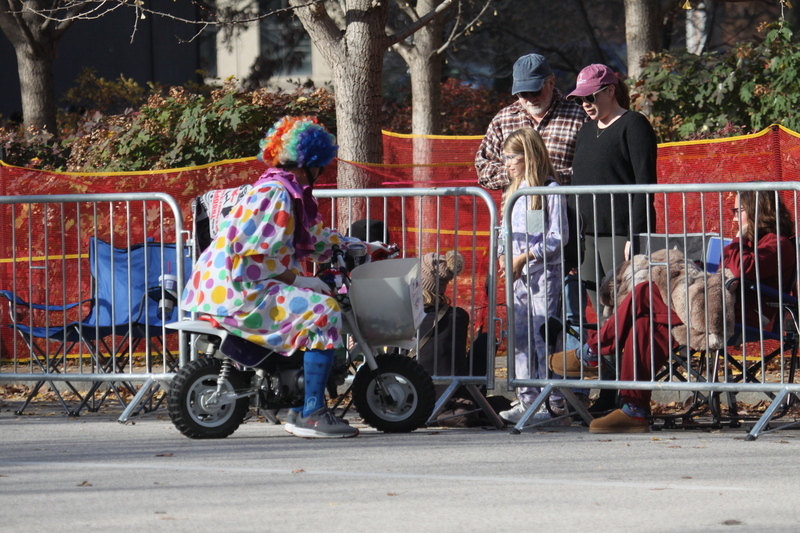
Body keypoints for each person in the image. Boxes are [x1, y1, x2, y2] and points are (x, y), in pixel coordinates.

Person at [181, 116, 391, 439]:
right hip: (240, 291)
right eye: (322, 165)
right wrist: (301, 281)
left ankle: (298, 404)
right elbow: (254, 254)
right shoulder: (277, 194)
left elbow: (318, 239)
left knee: (314, 307)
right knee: (324, 312)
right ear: (310, 163)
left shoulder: (282, 190)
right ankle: (312, 413)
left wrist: (363, 247)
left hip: (231, 288)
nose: (323, 172)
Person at [551, 188, 796, 433]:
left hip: (741, 316)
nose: (732, 218)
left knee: (646, 291)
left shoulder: (778, 243)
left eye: (738, 211)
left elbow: (743, 268)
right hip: (713, 308)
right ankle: (633, 410)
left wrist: (740, 239)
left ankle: (593, 350)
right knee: (644, 324)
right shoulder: (749, 243)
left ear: (756, 210)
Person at [567, 64, 658, 318]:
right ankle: (611, 358)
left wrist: (635, 234)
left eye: (590, 96)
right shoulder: (585, 131)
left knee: (626, 307)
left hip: (620, 236)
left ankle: (635, 358)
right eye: (580, 99)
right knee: (601, 309)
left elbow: (645, 183)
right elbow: (577, 188)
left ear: (610, 91)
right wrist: (573, 239)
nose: (585, 103)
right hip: (587, 236)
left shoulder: (634, 124)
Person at [495, 128, 570, 426]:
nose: (507, 163)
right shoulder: (513, 191)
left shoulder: (550, 190)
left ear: (529, 156)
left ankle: (553, 402)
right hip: (517, 279)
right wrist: (503, 256)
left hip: (544, 277)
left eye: (511, 156)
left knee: (543, 339)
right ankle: (527, 398)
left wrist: (526, 256)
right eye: (505, 157)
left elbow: (557, 237)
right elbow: (504, 232)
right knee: (520, 339)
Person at [475, 53, 588, 190]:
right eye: (523, 93)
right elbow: (483, 170)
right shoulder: (503, 119)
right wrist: (516, 173)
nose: (530, 99)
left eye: (535, 91)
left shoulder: (579, 115)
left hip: (564, 208)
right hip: (518, 208)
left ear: (551, 82)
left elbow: (590, 168)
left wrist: (549, 177)